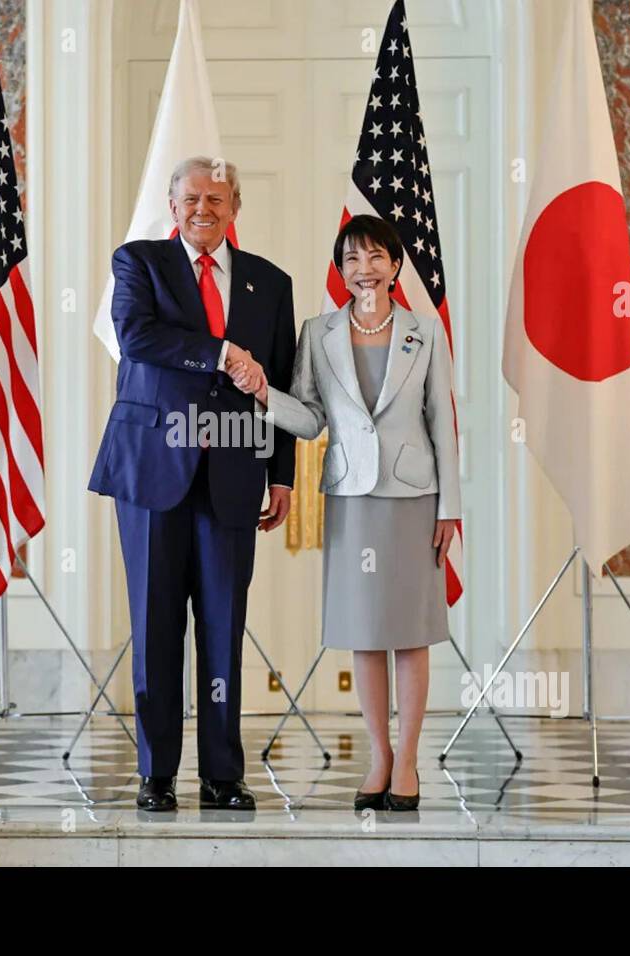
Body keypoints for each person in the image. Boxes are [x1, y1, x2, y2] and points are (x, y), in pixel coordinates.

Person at [232, 214, 460, 812]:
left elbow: (443, 421)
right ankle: (379, 756)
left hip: (414, 499)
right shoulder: (319, 332)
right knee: (364, 633)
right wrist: (262, 391)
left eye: (376, 256)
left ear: (395, 265)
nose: (364, 268)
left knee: (411, 635)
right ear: (340, 268)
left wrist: (451, 508)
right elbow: (310, 419)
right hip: (353, 499)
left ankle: (409, 760)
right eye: (352, 258)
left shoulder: (425, 330)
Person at [89, 156, 296, 812]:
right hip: (152, 470)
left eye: (217, 198)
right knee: (154, 626)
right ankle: (156, 775)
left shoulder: (270, 282)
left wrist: (283, 473)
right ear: (172, 206)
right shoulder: (139, 263)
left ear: (235, 208)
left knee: (222, 625)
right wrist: (222, 353)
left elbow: (281, 385)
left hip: (234, 473)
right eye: (191, 199)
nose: (203, 209)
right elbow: (135, 335)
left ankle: (222, 775)